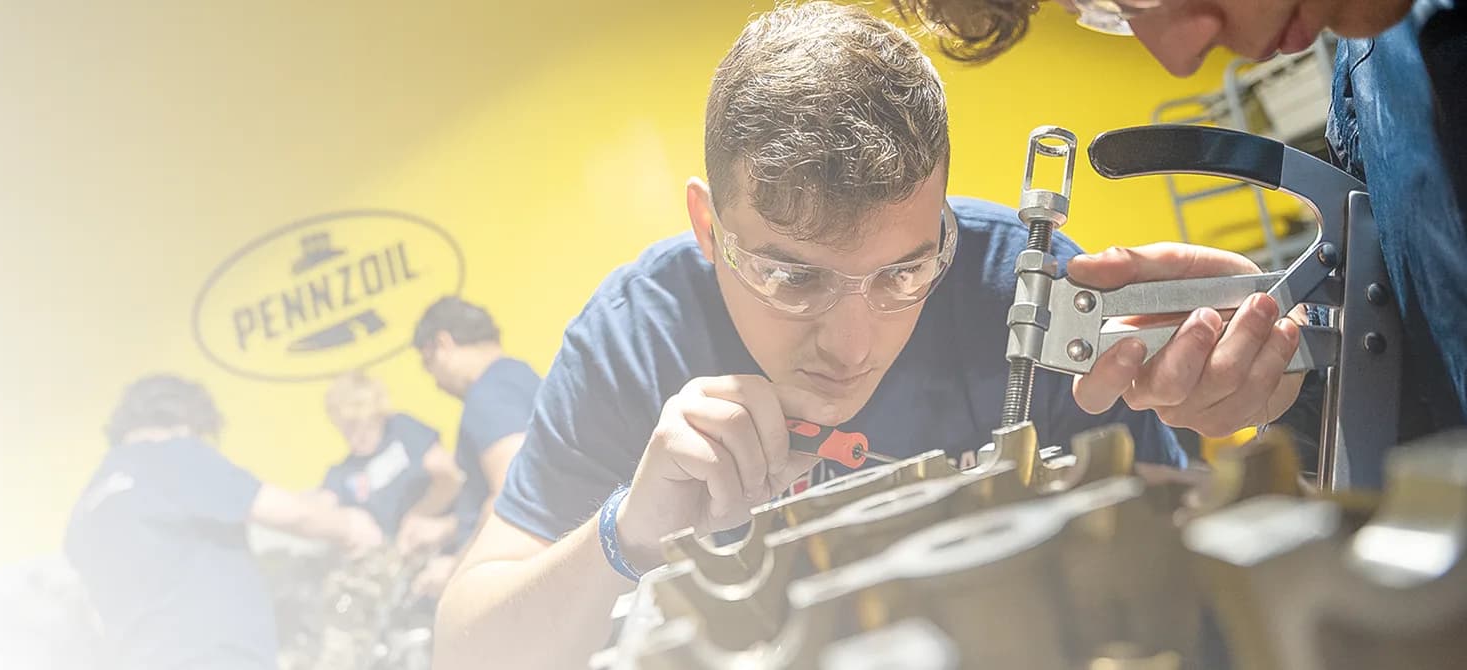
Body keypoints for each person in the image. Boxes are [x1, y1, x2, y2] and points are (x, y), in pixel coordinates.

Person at [431, 4, 1184, 668]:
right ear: (708, 228)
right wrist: (625, 533)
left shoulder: (1031, 290)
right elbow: (468, 653)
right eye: (793, 278)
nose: (853, 347)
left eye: (904, 272)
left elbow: (1181, 542)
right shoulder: (635, 337)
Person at [893, 0, 1466, 453]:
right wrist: (1292, 377)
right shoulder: (1371, 69)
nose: (1181, 55)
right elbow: (1434, 417)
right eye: (1110, 12)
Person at [64, 374, 383, 670]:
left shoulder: (86, 508)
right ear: (185, 423)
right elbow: (288, 514)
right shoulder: (172, 454)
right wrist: (351, 526)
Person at [402, 297, 542, 597]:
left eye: (429, 365)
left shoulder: (487, 394)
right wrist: (448, 528)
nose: (436, 383)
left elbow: (513, 491)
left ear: (443, 343)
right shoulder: (516, 374)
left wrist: (456, 570)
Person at [319, 371, 463, 539]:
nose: (353, 437)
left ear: (377, 414)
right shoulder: (341, 473)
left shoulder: (401, 428)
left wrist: (418, 516)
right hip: (393, 555)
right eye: (345, 429)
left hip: (448, 527)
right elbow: (321, 509)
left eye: (358, 425)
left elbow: (449, 473)